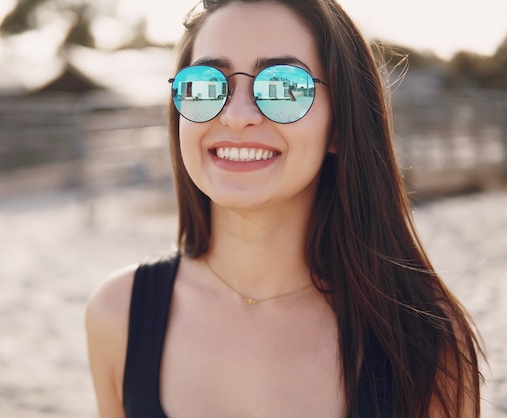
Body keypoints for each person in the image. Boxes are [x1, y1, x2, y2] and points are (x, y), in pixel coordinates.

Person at [85, 0, 485, 417]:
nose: (237, 116)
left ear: (340, 124)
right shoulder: (119, 315)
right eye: (205, 84)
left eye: (283, 85)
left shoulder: (421, 336)